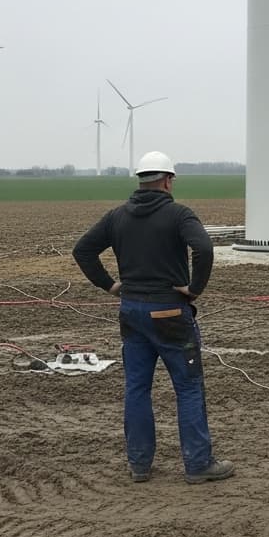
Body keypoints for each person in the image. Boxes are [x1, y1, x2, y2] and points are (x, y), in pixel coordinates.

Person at [72, 150, 234, 485]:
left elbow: (83, 250)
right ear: (167, 180)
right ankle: (197, 464)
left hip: (131, 312)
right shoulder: (178, 214)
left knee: (136, 388)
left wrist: (110, 285)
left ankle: (140, 465)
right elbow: (203, 249)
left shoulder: (117, 217)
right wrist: (195, 288)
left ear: (140, 180)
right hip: (171, 312)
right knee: (188, 388)